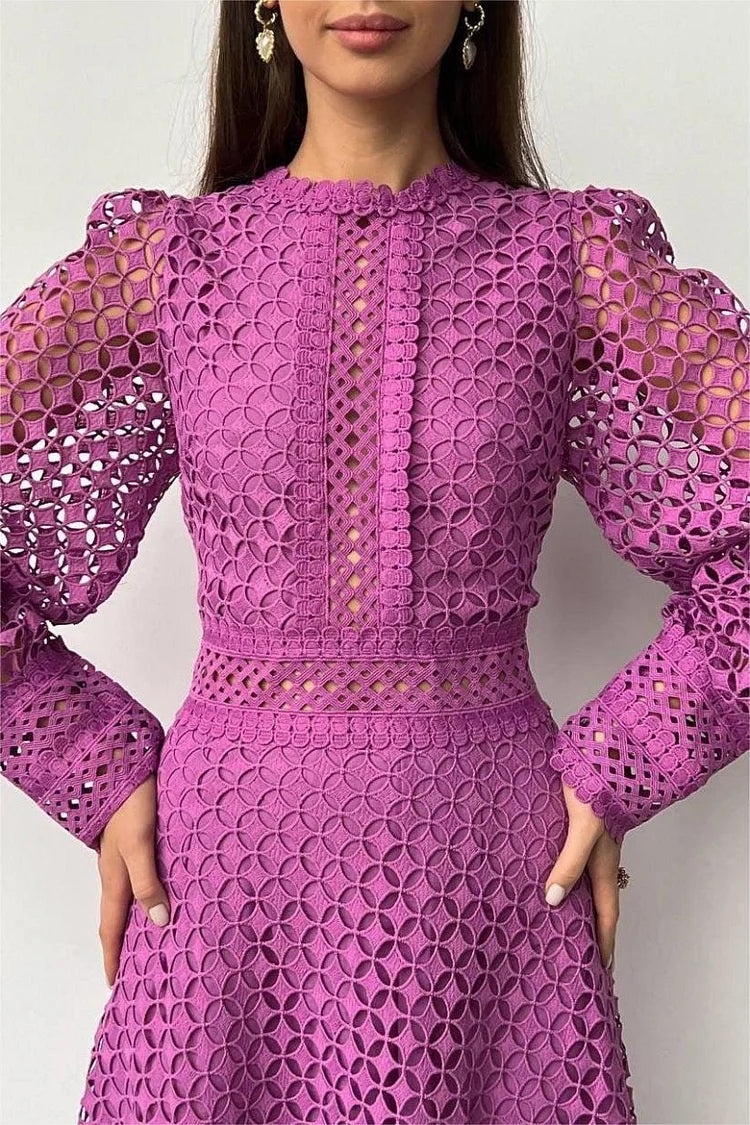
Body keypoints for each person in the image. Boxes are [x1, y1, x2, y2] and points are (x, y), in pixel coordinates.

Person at [1, 2, 747, 1122]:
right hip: (218, 898)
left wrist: (628, 757)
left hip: (490, 887)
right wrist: (87, 766)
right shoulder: (172, 267)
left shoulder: (568, 263)